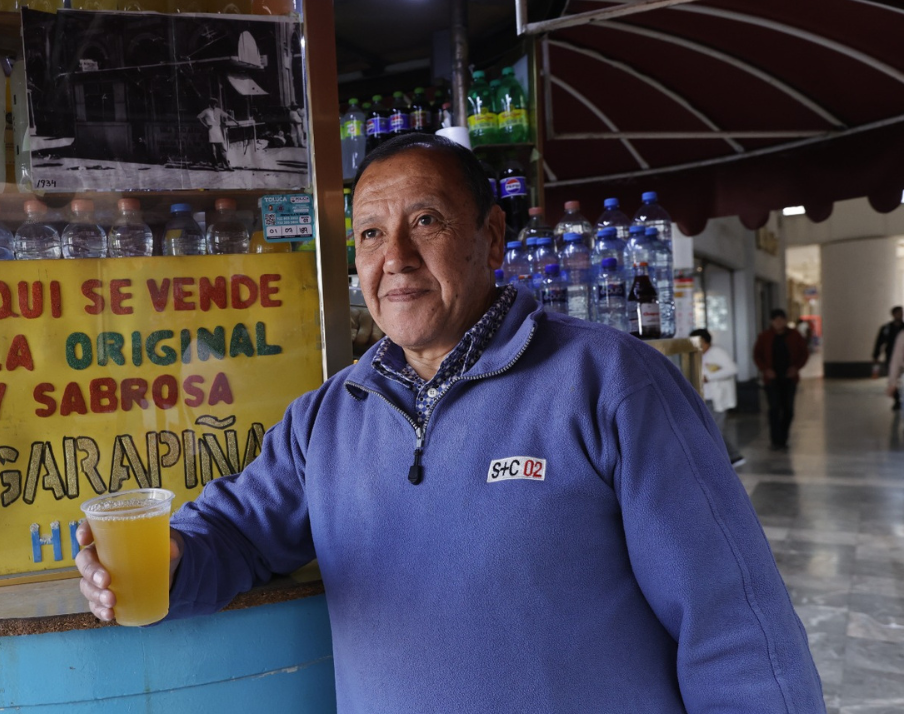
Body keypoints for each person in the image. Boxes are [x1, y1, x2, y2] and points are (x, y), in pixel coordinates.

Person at [76, 134, 824, 712]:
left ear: (491, 238)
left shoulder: (611, 383)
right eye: (369, 234)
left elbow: (736, 624)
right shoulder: (329, 416)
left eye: (424, 221)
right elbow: (233, 534)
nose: (393, 257)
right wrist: (170, 558)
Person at [753, 309, 810, 449]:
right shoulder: (765, 336)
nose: (778, 323)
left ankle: (783, 438)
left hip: (789, 379)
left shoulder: (794, 335)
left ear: (785, 321)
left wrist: (796, 368)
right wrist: (766, 369)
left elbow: (804, 353)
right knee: (774, 408)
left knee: (788, 409)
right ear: (771, 322)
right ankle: (775, 440)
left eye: (781, 319)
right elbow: (757, 355)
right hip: (772, 379)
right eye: (775, 320)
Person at [691, 328, 745, 467]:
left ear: (705, 341)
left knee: (714, 431)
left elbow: (732, 369)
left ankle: (732, 457)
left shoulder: (717, 352)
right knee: (711, 430)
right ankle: (733, 457)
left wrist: (709, 377)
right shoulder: (698, 355)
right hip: (704, 398)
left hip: (717, 399)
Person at [873, 306, 904, 410]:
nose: (900, 314)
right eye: (898, 313)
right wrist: (876, 355)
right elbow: (879, 342)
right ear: (893, 314)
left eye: (901, 313)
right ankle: (897, 400)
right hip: (891, 357)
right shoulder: (886, 328)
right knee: (894, 377)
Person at [197, 98, 234, 170]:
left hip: (218, 130)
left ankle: (227, 165)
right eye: (212, 103)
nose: (214, 105)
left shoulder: (218, 110)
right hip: (210, 130)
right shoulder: (206, 111)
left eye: (215, 103)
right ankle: (215, 165)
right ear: (210, 104)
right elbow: (199, 117)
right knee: (213, 150)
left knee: (223, 149)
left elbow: (226, 115)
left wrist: (235, 121)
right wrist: (205, 125)